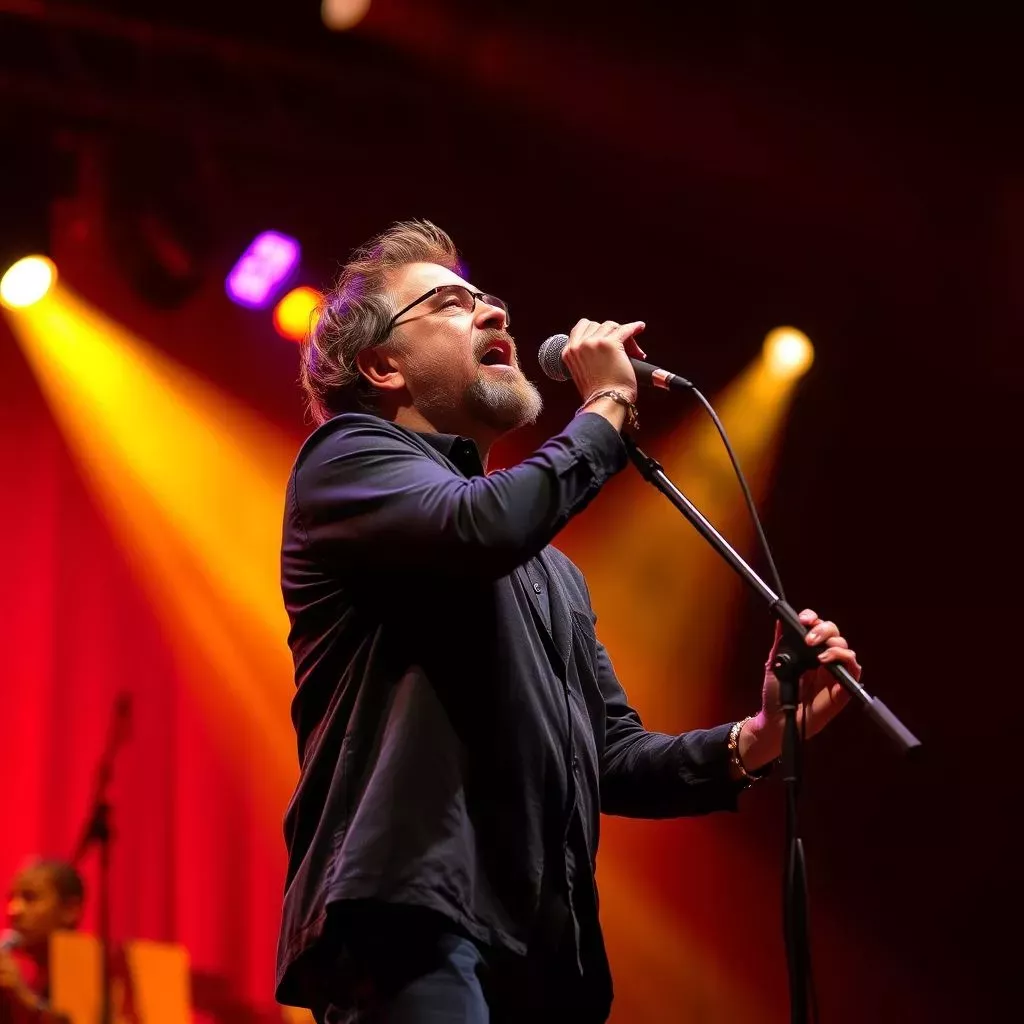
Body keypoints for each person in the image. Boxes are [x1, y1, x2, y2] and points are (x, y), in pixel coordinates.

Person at [275, 220, 861, 1023]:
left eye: (487, 299)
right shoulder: (346, 461)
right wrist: (608, 404)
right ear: (383, 366)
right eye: (450, 304)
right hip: (410, 922)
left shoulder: (551, 573)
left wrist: (757, 737)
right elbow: (478, 527)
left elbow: (610, 756)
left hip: (545, 965)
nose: (494, 313)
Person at [1, 859, 84, 1023]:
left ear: (69, 909)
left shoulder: (95, 971)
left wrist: (23, 997)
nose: (13, 910)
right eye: (11, 898)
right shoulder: (27, 977)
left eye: (30, 898)